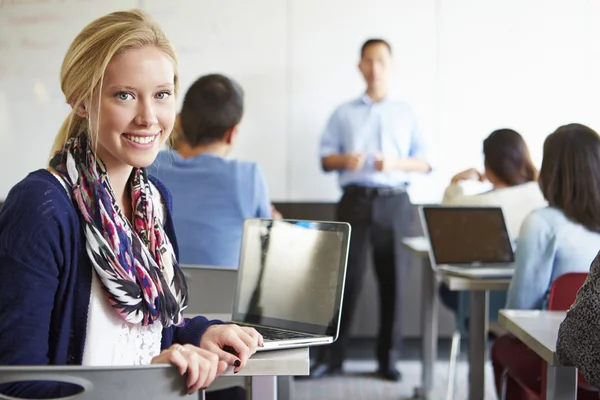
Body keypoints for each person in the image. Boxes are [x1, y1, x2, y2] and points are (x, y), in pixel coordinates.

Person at [0, 10, 262, 399]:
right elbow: (14, 382)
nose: (148, 117)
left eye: (161, 95)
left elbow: (147, 331)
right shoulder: (42, 205)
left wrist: (200, 332)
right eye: (124, 95)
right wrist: (144, 380)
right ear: (82, 103)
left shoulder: (153, 199)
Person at [314, 38, 431, 381]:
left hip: (395, 200)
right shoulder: (343, 112)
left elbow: (425, 162)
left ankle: (388, 360)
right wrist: (343, 160)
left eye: (381, 60)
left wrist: (395, 162)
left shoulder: (406, 112)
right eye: (368, 60)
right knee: (343, 281)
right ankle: (331, 359)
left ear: (390, 65)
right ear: (360, 66)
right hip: (355, 200)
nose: (375, 67)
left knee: (394, 283)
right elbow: (325, 158)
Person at [491, 123, 600, 399]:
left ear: (551, 171)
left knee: (501, 348)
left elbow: (518, 311)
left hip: (558, 358)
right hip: (595, 367)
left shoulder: (541, 223)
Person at [147, 74, 278, 267]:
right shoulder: (247, 177)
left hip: (153, 294)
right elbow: (266, 246)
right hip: (222, 296)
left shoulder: (146, 166)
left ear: (179, 122)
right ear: (231, 133)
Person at [439, 128, 546, 313]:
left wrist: (455, 181)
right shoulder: (543, 194)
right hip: (532, 304)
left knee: (446, 290)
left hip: (484, 299)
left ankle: (487, 334)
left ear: (489, 164)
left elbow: (446, 216)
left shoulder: (479, 203)